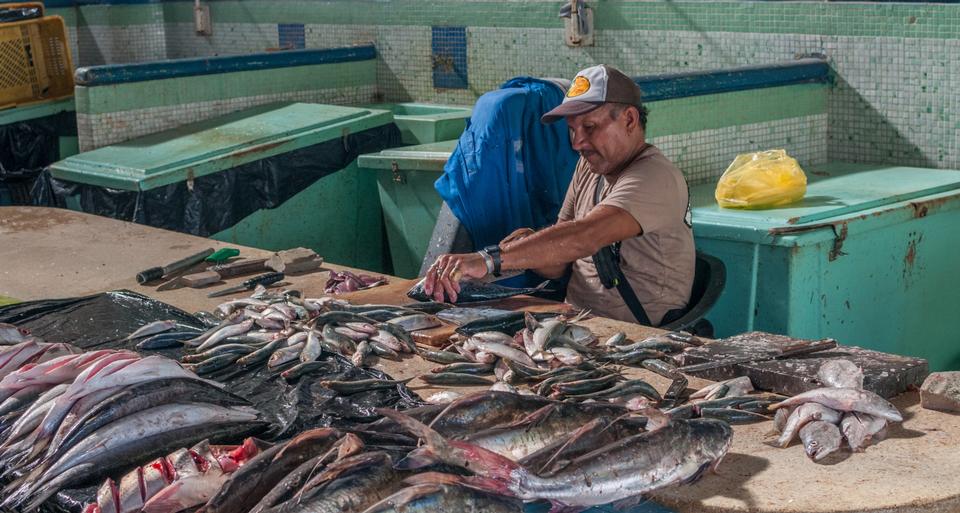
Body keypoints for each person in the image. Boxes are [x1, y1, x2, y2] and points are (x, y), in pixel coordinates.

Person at [424, 64, 694, 326]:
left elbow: (584, 236)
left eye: (589, 127)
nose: (577, 143)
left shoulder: (656, 178)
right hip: (575, 323)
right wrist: (528, 247)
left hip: (633, 335)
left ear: (629, 120)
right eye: (571, 129)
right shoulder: (590, 169)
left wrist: (488, 259)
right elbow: (560, 260)